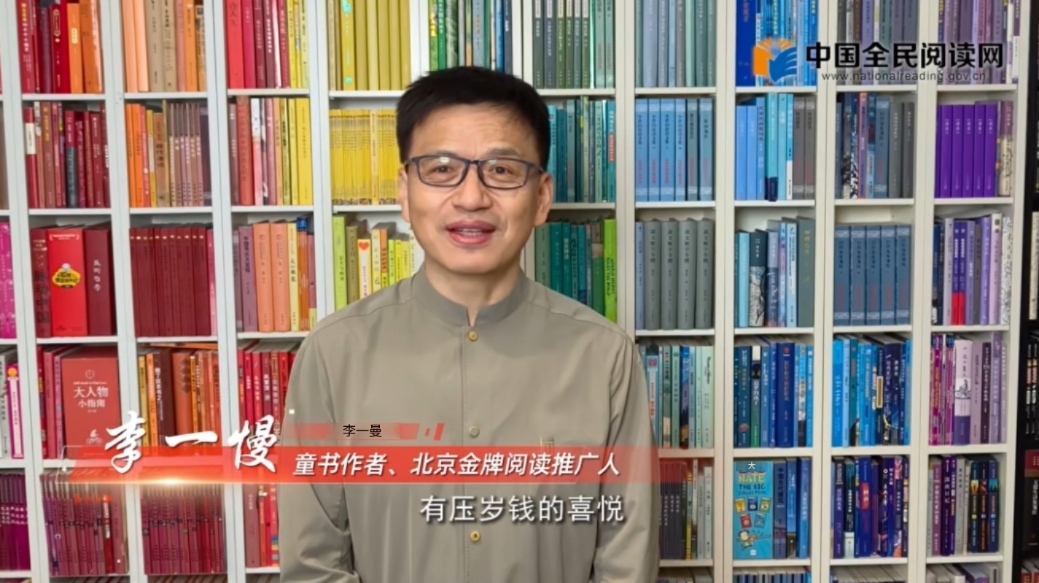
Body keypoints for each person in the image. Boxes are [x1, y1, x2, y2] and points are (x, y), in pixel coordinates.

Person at [278, 66, 660, 583]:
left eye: (501, 170)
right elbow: (312, 564)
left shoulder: (603, 356)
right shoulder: (333, 353)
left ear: (541, 197)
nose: (472, 197)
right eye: (441, 169)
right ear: (405, 193)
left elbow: (626, 563)